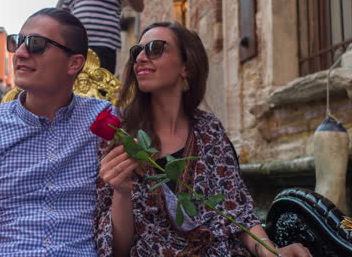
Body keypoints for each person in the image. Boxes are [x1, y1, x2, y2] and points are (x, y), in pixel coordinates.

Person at [95, 22, 313, 257]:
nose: (140, 59)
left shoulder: (208, 130)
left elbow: (236, 209)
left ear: (185, 67)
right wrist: (122, 191)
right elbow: (118, 249)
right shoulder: (121, 134)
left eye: (155, 48)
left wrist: (270, 251)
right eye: (136, 52)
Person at [0, 8, 112, 256]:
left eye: (36, 44)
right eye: (17, 42)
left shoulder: (104, 119)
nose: (20, 52)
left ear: (74, 63)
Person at [61, 0, 144, 74]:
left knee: (100, 85)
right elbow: (62, 18)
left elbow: (139, 6)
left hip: (103, 44)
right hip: (75, 46)